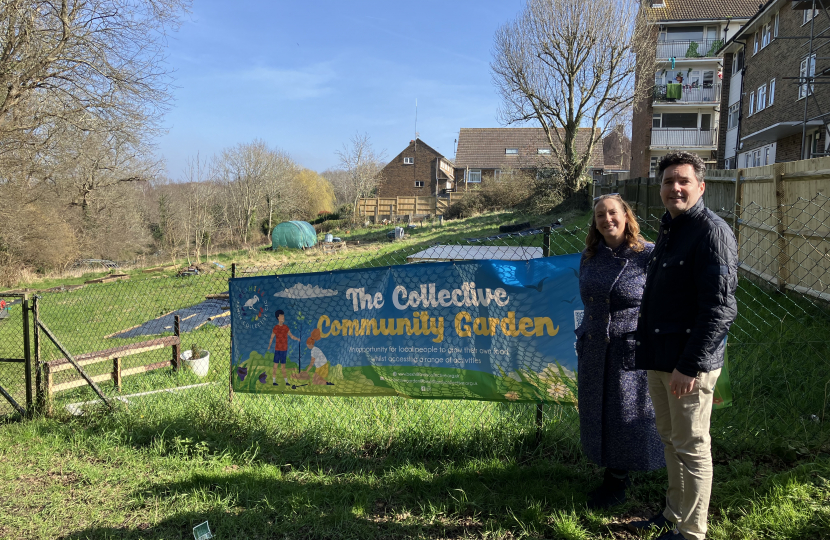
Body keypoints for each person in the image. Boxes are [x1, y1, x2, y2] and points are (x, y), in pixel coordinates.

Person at [629, 152, 738, 540]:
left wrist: (690, 365)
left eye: (683, 181)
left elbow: (721, 309)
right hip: (662, 359)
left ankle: (691, 532)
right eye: (668, 181)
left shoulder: (711, 232)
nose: (675, 187)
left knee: (691, 446)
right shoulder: (671, 227)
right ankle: (673, 513)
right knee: (670, 440)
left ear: (700, 186)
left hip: (687, 366)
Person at [575, 193, 665, 509]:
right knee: (597, 411)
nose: (607, 219)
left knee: (625, 415)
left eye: (613, 212)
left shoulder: (647, 255)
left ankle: (618, 479)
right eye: (600, 215)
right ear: (595, 222)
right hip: (595, 345)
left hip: (630, 348)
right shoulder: (589, 255)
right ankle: (608, 467)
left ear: (626, 216)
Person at [267, 309, 300, 386]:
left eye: (283, 316)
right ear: (278, 318)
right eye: (282, 316)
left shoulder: (286, 327)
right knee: (275, 366)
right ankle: (274, 381)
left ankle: (286, 382)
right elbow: (272, 337)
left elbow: (291, 336)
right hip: (277, 350)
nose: (283, 317)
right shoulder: (275, 328)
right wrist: (269, 345)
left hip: (284, 350)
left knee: (283, 367)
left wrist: (297, 339)